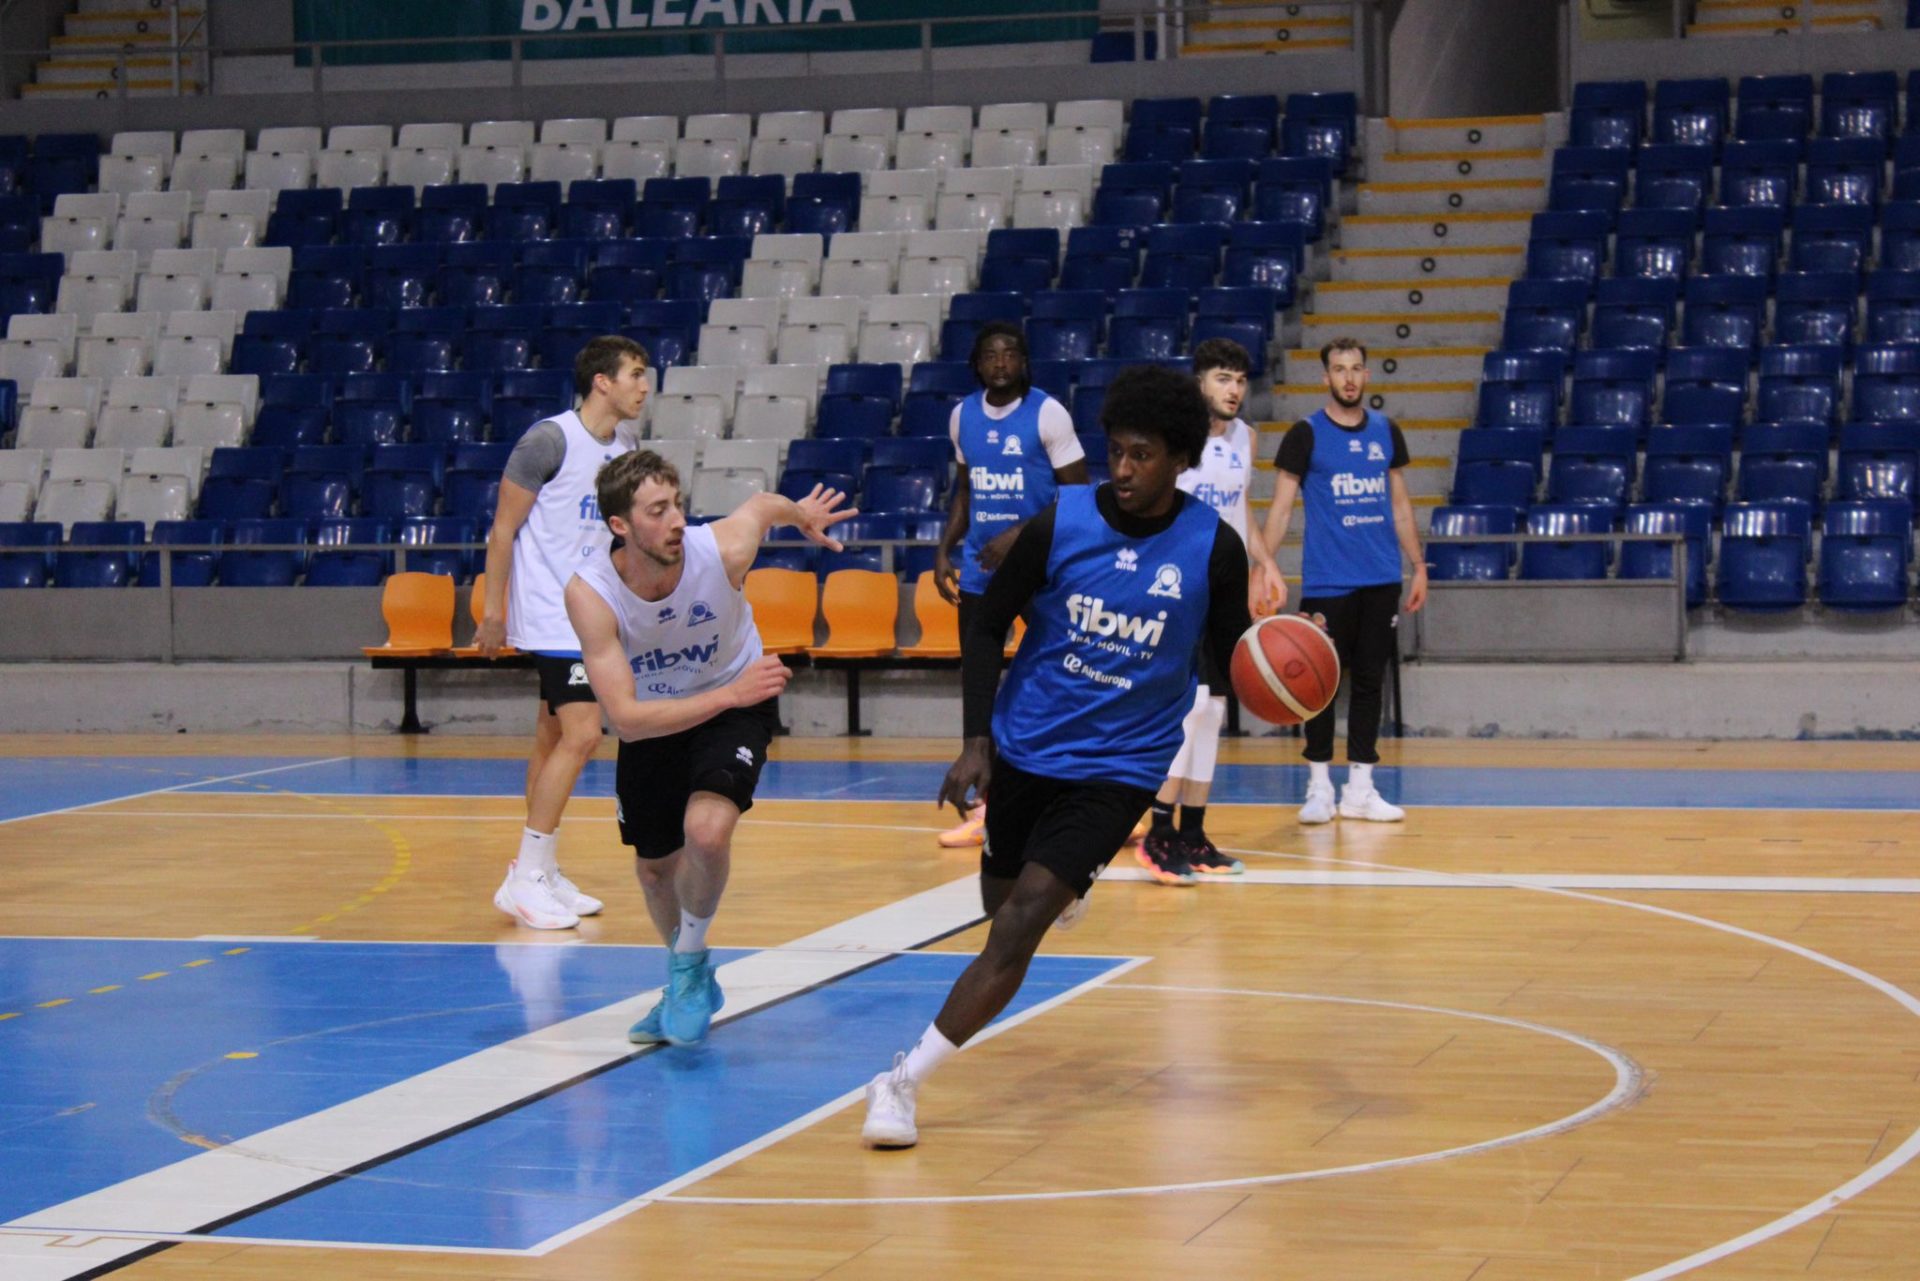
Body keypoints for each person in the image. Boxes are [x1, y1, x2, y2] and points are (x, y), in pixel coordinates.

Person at [862, 365, 1253, 1149]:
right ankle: (1060, 883)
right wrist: (976, 741)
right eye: (1118, 451)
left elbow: (1236, 656)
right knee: (1000, 901)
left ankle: (900, 1081)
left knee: (1020, 923)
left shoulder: (1214, 548)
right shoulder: (1061, 522)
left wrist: (1285, 667)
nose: (1124, 469)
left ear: (1181, 459)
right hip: (1028, 744)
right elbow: (985, 623)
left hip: (1121, 765)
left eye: (1143, 455)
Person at [565, 451, 854, 1047]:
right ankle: (687, 978)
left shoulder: (721, 551)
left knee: (707, 832)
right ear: (619, 525)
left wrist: (799, 514)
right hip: (659, 717)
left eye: (677, 504)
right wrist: (728, 695)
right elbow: (626, 720)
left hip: (737, 703)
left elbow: (761, 507)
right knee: (654, 869)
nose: (676, 520)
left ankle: (689, 967)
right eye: (657, 511)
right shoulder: (591, 594)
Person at [478, 335, 651, 931]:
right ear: (602, 381)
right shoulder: (548, 441)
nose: (644, 386)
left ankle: (540, 868)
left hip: (593, 612)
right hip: (552, 613)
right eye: (635, 374)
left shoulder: (626, 446)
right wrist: (494, 610)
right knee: (584, 734)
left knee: (552, 737)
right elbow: (503, 530)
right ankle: (525, 878)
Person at [930, 321, 1089, 849]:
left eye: (1010, 353)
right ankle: (987, 809)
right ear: (977, 364)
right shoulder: (962, 416)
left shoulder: (1048, 413)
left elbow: (1079, 497)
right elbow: (966, 491)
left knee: (1066, 680)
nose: (1000, 362)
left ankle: (1088, 796)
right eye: (990, 355)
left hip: (1045, 571)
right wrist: (944, 547)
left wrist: (1020, 535)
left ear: (1024, 361)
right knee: (978, 689)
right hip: (982, 572)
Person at [1136, 338, 1287, 885]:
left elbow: (1240, 508)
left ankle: (1193, 834)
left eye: (1241, 380)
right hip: (1177, 586)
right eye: (1223, 378)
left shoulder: (1247, 437)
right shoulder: (1175, 438)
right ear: (1198, 381)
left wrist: (1265, 563)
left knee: (1215, 713)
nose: (1234, 389)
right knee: (1190, 708)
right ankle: (1158, 831)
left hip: (1225, 588)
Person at [1260, 337, 1428, 826]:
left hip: (1381, 578)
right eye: (1339, 369)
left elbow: (1400, 506)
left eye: (1356, 368)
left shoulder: (1386, 431)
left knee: (1370, 681)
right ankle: (1318, 787)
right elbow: (1281, 509)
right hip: (1328, 582)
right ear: (1325, 377)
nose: (1349, 378)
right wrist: (1262, 565)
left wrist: (1418, 565)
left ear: (1367, 375)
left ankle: (1360, 789)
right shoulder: (1305, 434)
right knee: (1319, 684)